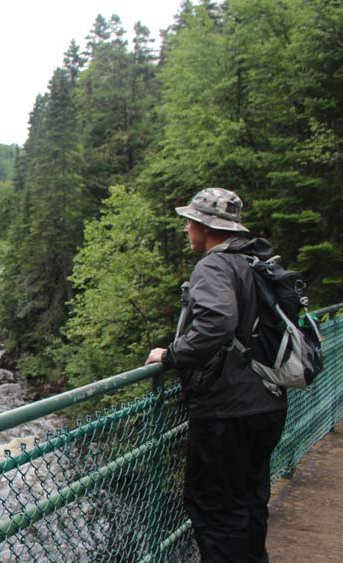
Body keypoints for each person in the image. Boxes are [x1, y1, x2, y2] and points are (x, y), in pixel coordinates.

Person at [145, 188, 287, 563]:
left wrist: (172, 355)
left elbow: (217, 322)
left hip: (227, 410)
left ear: (204, 226)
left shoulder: (214, 265)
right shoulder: (257, 262)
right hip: (267, 400)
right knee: (250, 500)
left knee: (214, 509)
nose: (187, 229)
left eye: (189, 222)